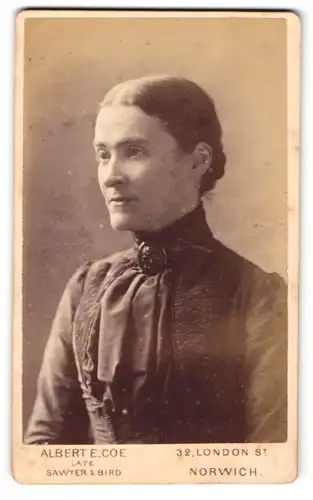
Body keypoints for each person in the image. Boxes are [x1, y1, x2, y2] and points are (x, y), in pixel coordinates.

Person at [25, 75, 287, 445]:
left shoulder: (257, 295)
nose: (111, 176)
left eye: (134, 151)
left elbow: (271, 457)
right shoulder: (86, 288)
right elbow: (43, 448)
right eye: (103, 155)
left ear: (198, 160)